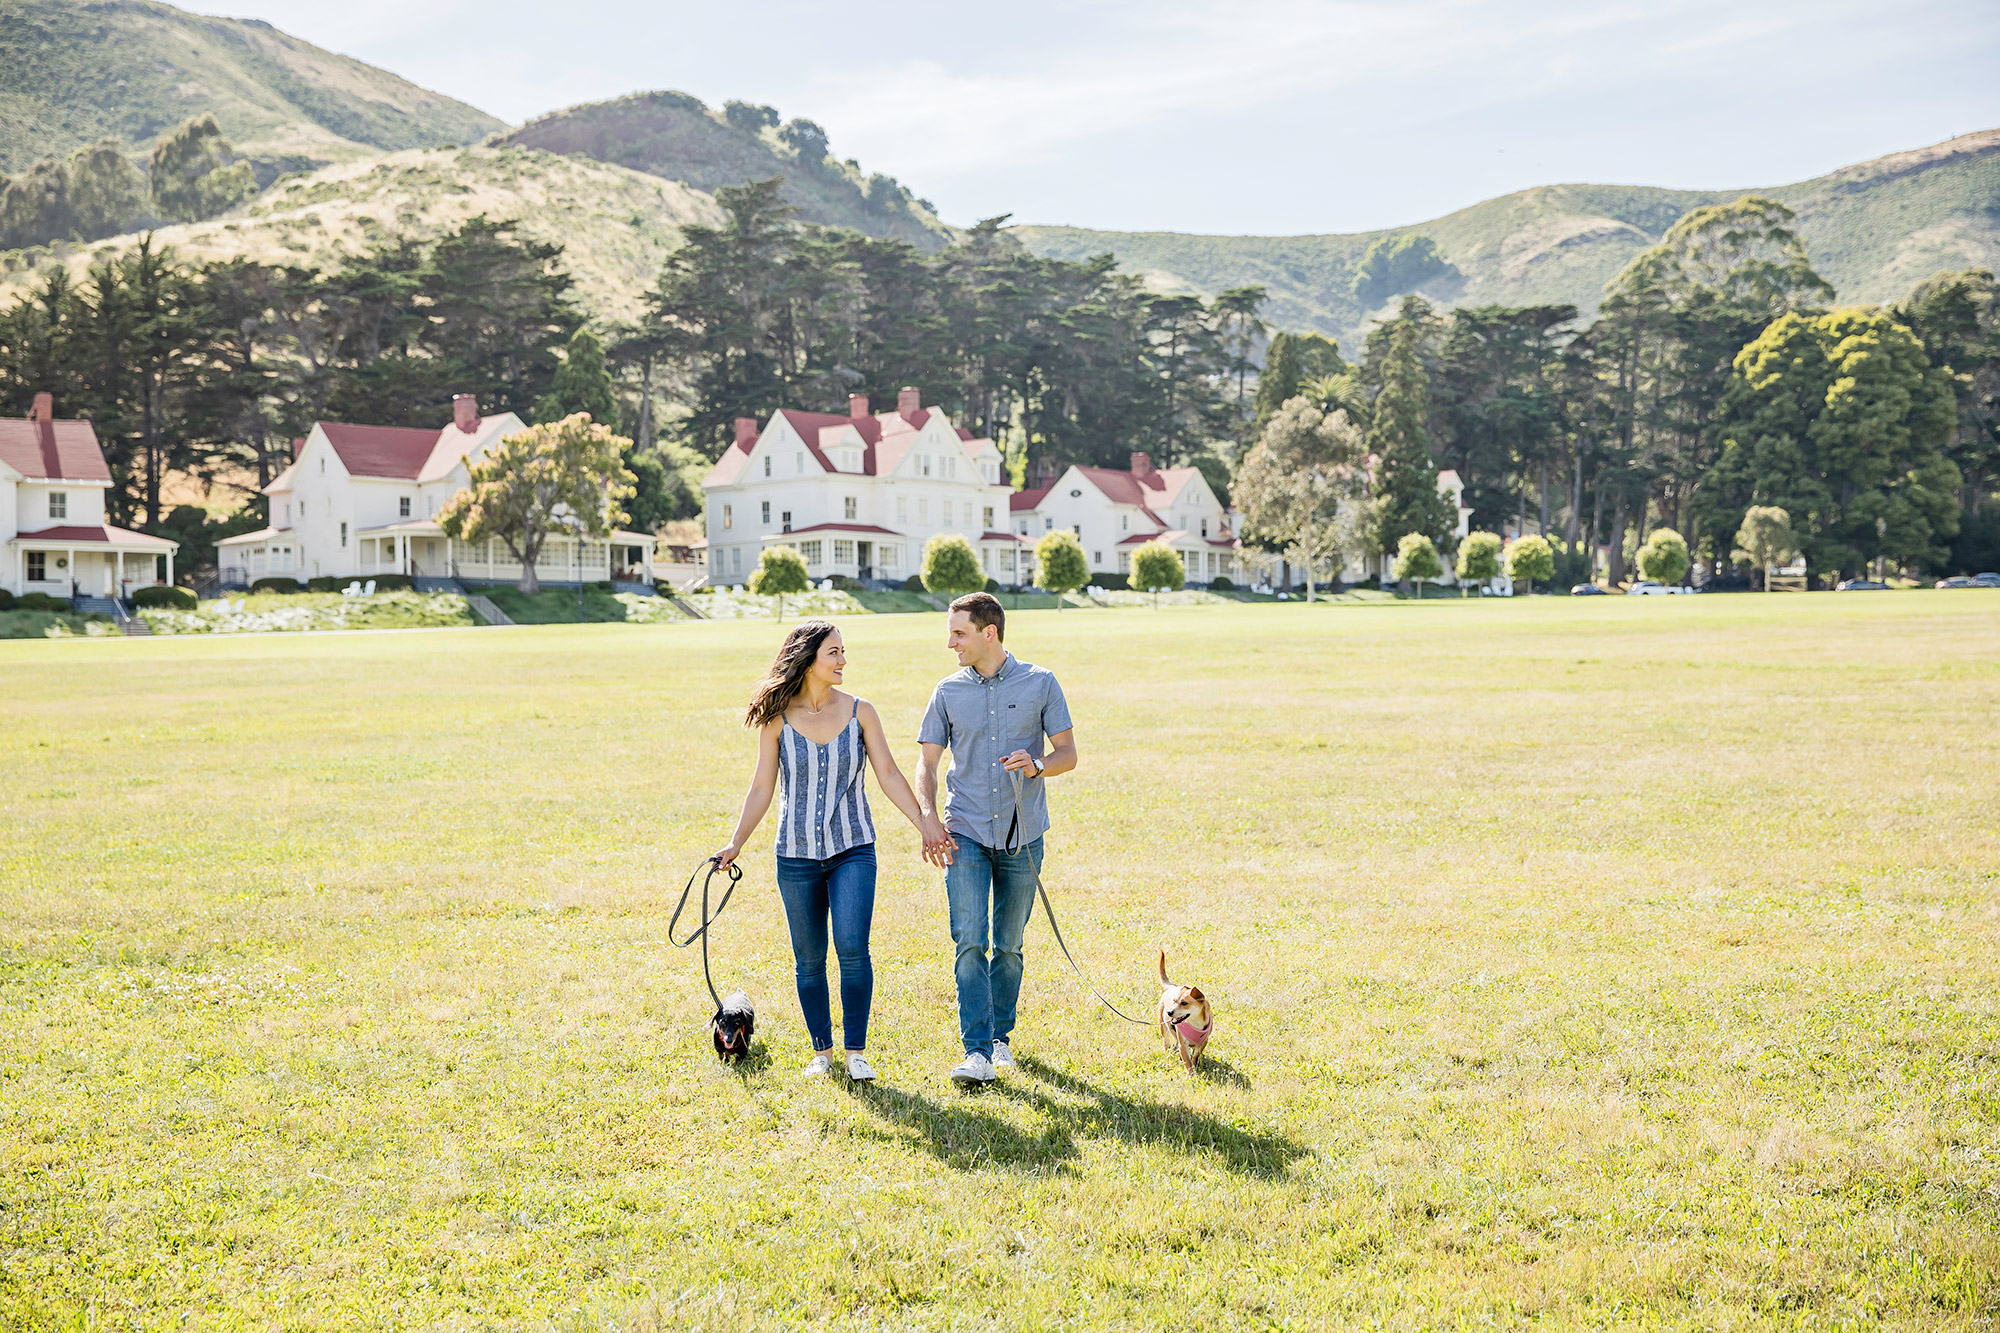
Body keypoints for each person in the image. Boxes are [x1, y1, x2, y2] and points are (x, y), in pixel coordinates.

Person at [716, 620, 941, 1081]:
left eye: (843, 651)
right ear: (809, 659)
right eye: (833, 653)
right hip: (794, 855)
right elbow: (762, 787)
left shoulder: (862, 712)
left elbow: (891, 775)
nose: (842, 661)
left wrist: (924, 823)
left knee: (854, 948)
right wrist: (736, 842)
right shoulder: (777, 719)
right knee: (809, 958)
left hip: (853, 848)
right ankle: (821, 1053)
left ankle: (856, 1052)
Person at [916, 592, 1078, 1087]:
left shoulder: (1041, 682)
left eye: (958, 633)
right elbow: (926, 764)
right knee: (969, 940)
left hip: (1023, 835)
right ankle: (977, 1050)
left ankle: (1001, 1038)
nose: (950, 643)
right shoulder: (947, 691)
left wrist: (1038, 765)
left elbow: (1067, 753)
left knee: (1008, 945)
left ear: (990, 632)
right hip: (963, 831)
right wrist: (927, 817)